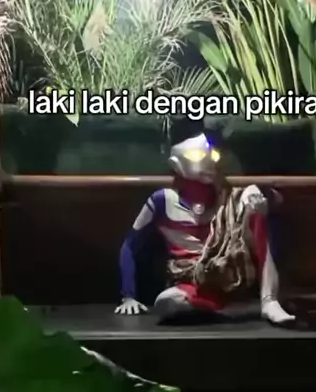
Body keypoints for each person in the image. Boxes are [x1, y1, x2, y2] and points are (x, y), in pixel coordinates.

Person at [115, 132, 294, 324]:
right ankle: (225, 307)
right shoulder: (162, 201)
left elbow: (273, 200)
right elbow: (130, 245)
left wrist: (263, 200)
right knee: (167, 303)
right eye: (197, 155)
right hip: (189, 279)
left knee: (253, 201)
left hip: (232, 272)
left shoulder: (229, 197)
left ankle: (269, 300)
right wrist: (128, 296)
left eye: (213, 155)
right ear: (177, 163)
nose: (208, 160)